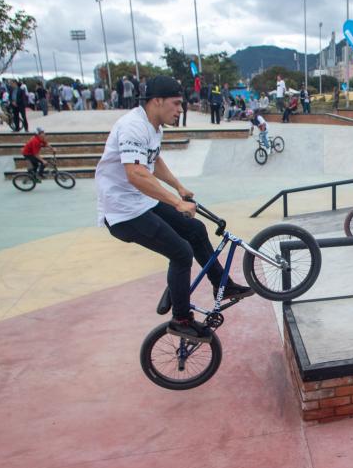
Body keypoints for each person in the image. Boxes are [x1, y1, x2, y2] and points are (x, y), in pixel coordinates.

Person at [95, 76, 251, 340]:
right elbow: (135, 173)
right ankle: (181, 319)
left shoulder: (154, 126)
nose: (181, 110)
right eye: (176, 104)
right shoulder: (133, 126)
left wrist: (178, 187)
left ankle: (222, 285)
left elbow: (153, 162)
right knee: (181, 253)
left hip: (141, 201)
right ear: (157, 101)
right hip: (122, 212)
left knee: (195, 229)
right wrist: (177, 203)